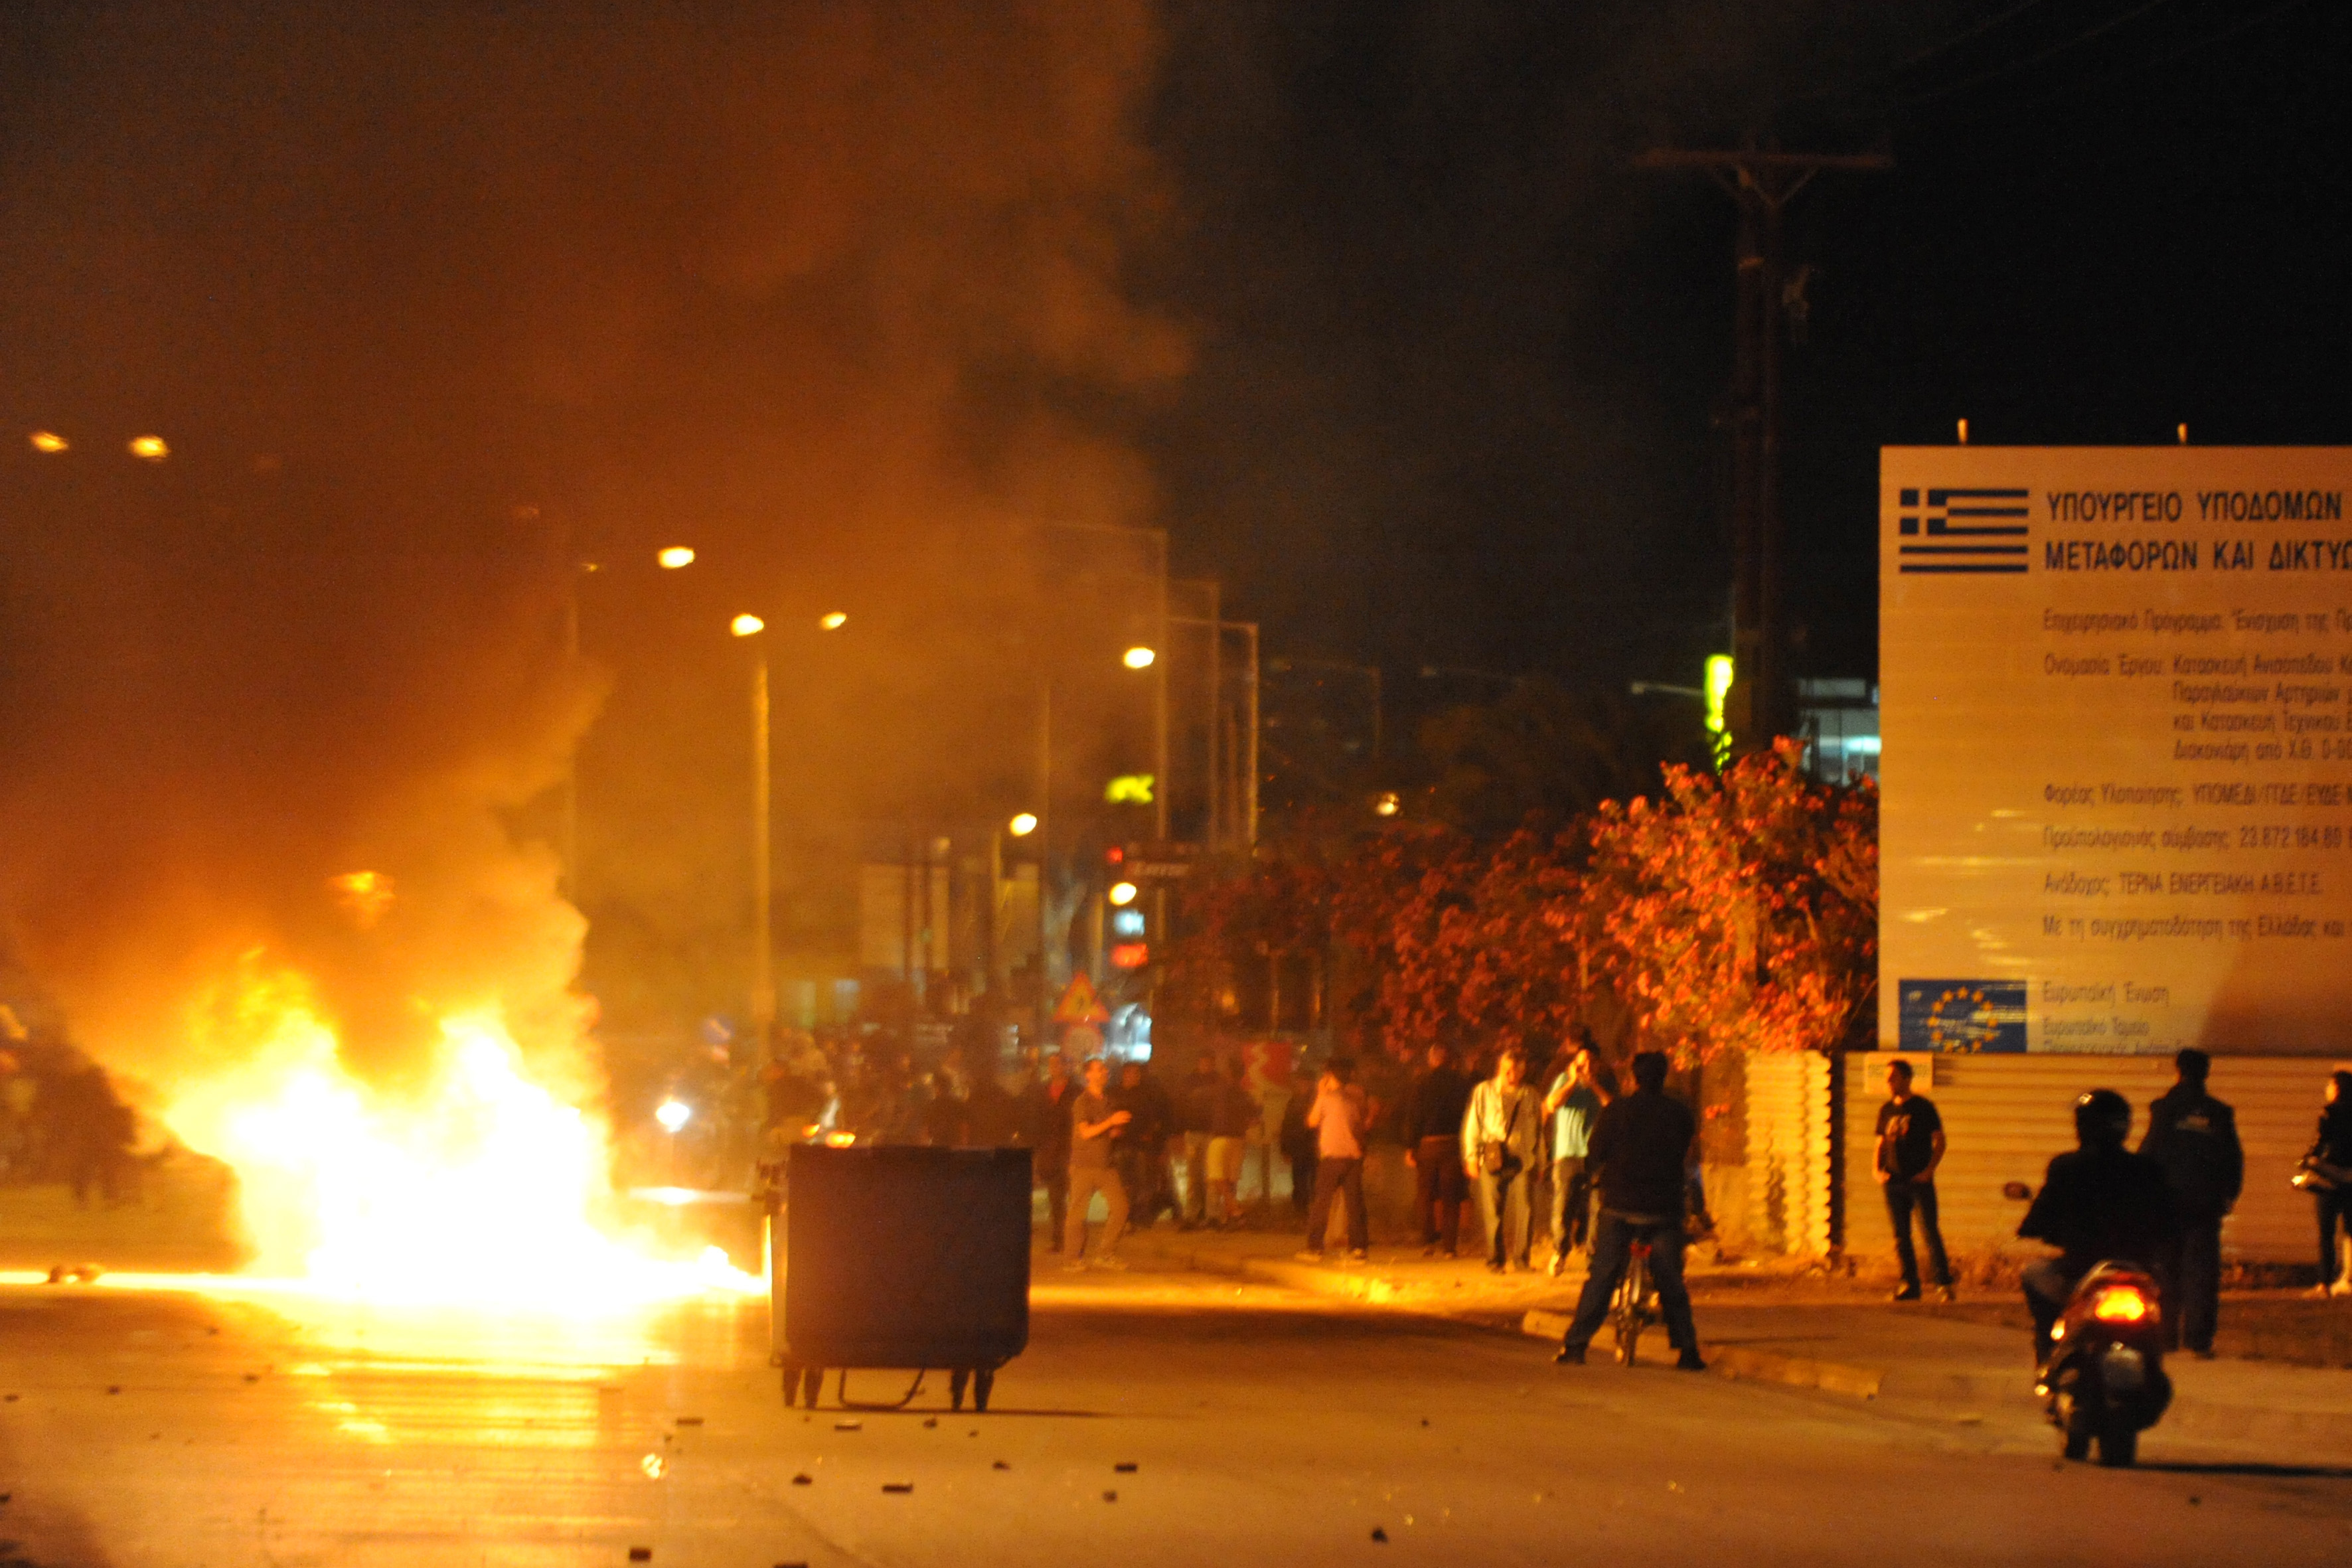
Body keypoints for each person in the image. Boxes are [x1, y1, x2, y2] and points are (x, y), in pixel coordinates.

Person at [1555, 1052, 1705, 1371]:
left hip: (1620, 1207)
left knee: (1603, 1275)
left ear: (1634, 1079)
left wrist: (1595, 1176)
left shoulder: (1616, 1112)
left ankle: (1576, 1345)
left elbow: (1595, 1154)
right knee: (1670, 1279)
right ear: (1663, 1078)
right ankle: (1688, 1352)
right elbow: (1685, 1155)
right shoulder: (1679, 1114)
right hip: (1664, 1208)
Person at [2017, 1089, 2178, 1368]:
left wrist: (2032, 1227)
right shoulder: (2147, 1169)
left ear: (2083, 1126)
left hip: (2079, 1271)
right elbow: (2170, 1219)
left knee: (2032, 1274)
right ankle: (2160, 1351)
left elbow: (2042, 1215)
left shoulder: (2067, 1167)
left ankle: (2049, 1352)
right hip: (2138, 1270)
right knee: (2165, 1290)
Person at [2139, 1048, 2242, 1351]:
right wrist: (2229, 1195)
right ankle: (2199, 1339)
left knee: (2165, 1270)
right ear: (2206, 1074)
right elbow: (2233, 1158)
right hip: (2205, 1204)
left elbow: (2149, 1153)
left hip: (2167, 1204)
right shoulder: (2220, 1113)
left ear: (2178, 1072)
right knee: (2202, 1272)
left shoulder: (2164, 1109)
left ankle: (2166, 1335)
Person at [1875, 1059, 1954, 1303]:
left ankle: (1943, 1284)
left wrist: (1929, 1170)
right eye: (1887, 1078)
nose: (1889, 1083)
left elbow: (1939, 1141)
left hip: (1918, 1180)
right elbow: (1879, 1142)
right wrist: (1877, 1171)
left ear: (1907, 1079)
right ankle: (1909, 1284)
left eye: (1894, 1077)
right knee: (1901, 1236)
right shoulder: (1886, 1110)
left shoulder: (1923, 1108)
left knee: (1929, 1231)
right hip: (1894, 1181)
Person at [1460, 1048, 1541, 1273]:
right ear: (1500, 1069)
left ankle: (1522, 1259)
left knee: (1525, 1208)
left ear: (1522, 1072)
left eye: (1515, 1071)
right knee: (1493, 1210)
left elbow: (1538, 1130)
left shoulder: (1530, 1095)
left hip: (1522, 1158)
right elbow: (1473, 1125)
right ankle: (1495, 1260)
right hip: (1494, 1156)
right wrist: (1471, 1157)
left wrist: (1540, 1162)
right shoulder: (1484, 1092)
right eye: (1506, 1071)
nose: (1510, 1075)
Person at [1541, 1038, 1610, 1274]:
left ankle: (1593, 1256)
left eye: (1590, 1064)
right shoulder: (1564, 1081)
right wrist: (1572, 1080)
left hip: (1594, 1155)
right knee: (1563, 1207)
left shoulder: (1602, 1085)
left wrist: (1594, 1086)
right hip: (1567, 1154)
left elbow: (1612, 1108)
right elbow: (1552, 1104)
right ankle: (1560, 1251)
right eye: (1581, 1065)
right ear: (1574, 1066)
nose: (1586, 1069)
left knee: (1597, 1208)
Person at [1403, 1041, 1474, 1257]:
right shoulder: (1462, 1084)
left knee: (1425, 1195)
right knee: (1450, 1196)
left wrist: (1410, 1146)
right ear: (1451, 1061)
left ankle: (1428, 1242)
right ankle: (1449, 1247)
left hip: (1428, 1146)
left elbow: (1414, 1117)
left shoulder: (1422, 1083)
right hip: (1453, 1144)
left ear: (1432, 1060)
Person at [1062, 1058, 1132, 1269]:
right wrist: (1111, 1122)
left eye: (1105, 1070)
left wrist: (1115, 1130)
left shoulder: (1107, 1101)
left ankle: (1105, 1253)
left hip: (1105, 1164)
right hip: (1084, 1165)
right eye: (1099, 1070)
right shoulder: (1082, 1102)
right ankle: (1072, 1259)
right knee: (1078, 1213)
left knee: (1121, 1208)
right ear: (1088, 1075)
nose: (1105, 1073)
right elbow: (1085, 1132)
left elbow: (1101, 1131)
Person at [1298, 1059, 1370, 1261]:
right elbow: (1359, 1125)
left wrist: (1321, 1093)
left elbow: (1311, 1121)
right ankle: (1359, 1248)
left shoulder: (1326, 1098)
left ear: (1330, 1077)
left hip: (1332, 1158)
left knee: (1322, 1203)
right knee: (1354, 1204)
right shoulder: (1354, 1099)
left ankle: (1314, 1248)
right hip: (1353, 1157)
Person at [1021, 1051, 1077, 1250]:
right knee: (1055, 1197)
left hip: (1069, 1148)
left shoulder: (1075, 1091)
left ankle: (1073, 1238)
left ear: (1065, 1066)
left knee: (1074, 1197)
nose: (1053, 1068)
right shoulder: (1043, 1091)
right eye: (1051, 1064)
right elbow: (1036, 1120)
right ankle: (1059, 1238)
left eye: (1057, 1064)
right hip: (1049, 1151)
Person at [2304, 1070, 2352, 1298]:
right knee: (2350, 1232)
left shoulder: (2329, 1112)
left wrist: (2307, 1160)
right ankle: (2349, 1278)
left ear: (2337, 1087)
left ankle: (2325, 1283)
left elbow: (2320, 1142)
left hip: (2329, 1178)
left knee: (2326, 1233)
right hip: (2351, 1179)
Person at [1113, 1059, 1175, 1227]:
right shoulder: (1115, 1094)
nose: (1135, 1077)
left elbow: (1160, 1119)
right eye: (1131, 1073)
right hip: (1120, 1146)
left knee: (1142, 1184)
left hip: (1142, 1146)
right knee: (1123, 1184)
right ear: (1124, 1074)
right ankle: (1125, 1216)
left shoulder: (1148, 1094)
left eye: (1137, 1073)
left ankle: (1139, 1218)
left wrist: (1156, 1140)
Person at [1205, 1056, 1257, 1227]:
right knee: (1231, 1179)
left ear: (1228, 1072)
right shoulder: (1243, 1094)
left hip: (1221, 1137)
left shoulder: (1220, 1091)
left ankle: (1234, 1211)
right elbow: (1254, 1116)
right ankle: (1230, 1217)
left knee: (1217, 1177)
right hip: (1238, 1139)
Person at [1174, 1055, 1221, 1228]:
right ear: (1198, 1063)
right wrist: (1180, 1131)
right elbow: (1180, 1106)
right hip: (1193, 1133)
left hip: (1211, 1133)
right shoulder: (1189, 1082)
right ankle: (1193, 1214)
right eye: (1203, 1061)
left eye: (1209, 1062)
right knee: (1193, 1175)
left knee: (1212, 1176)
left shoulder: (1218, 1081)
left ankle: (1212, 1215)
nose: (1206, 1065)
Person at [1278, 1065, 1319, 1218]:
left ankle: (1314, 1212)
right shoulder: (1294, 1100)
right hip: (1298, 1147)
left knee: (1315, 1181)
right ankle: (1301, 1212)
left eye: (1305, 1081)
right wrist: (1285, 1148)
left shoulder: (1317, 1100)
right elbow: (1287, 1125)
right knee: (1299, 1181)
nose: (1302, 1084)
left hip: (1312, 1147)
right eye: (1301, 1080)